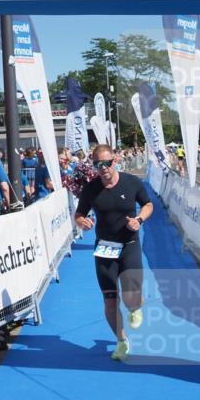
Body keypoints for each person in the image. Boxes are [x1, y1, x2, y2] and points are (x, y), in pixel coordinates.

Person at [74, 144, 153, 361]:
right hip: (105, 248)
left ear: (114, 161)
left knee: (131, 297)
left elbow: (148, 205)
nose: (103, 168)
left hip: (129, 244)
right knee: (110, 300)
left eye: (107, 163)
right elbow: (79, 214)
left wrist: (138, 220)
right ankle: (121, 341)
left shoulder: (131, 182)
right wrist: (82, 222)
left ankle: (136, 305)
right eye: (98, 164)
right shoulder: (91, 188)